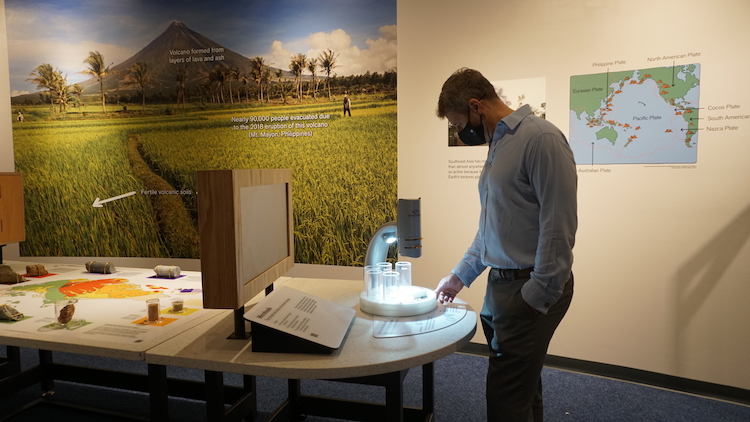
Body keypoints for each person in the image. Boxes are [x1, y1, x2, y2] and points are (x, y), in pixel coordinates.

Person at [434, 68, 577, 422]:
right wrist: (459, 276)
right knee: (523, 388)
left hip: (526, 288)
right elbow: (493, 225)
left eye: (457, 123)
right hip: (502, 286)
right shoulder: (500, 143)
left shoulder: (540, 139)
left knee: (505, 401)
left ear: (475, 106)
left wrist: (535, 297)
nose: (458, 131)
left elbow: (558, 226)